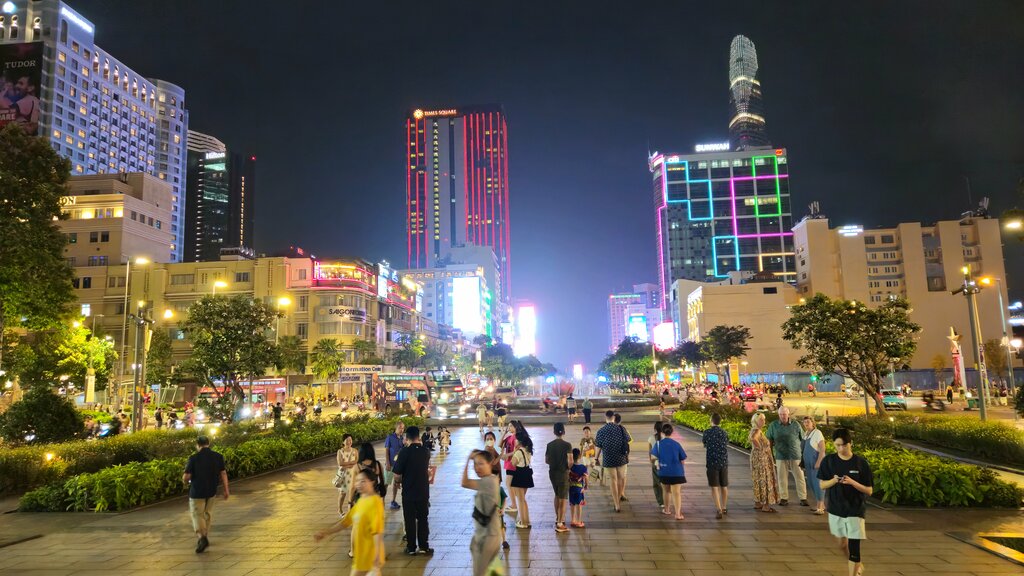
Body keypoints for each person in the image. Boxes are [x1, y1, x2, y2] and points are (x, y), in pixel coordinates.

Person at [818, 428, 874, 576]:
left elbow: (869, 490)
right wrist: (834, 480)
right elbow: (822, 485)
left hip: (855, 509)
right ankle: (858, 564)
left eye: (844, 445)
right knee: (842, 544)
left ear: (851, 443)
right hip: (836, 508)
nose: (841, 448)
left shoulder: (861, 463)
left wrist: (853, 483)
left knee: (855, 548)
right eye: (837, 445)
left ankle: (854, 570)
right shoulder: (829, 461)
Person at [315, 469, 385, 576]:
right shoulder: (361, 501)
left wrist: (376, 556)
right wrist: (326, 532)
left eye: (363, 481)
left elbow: (377, 531)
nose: (359, 484)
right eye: (357, 481)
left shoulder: (375, 503)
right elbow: (345, 522)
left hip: (370, 556)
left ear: (372, 482)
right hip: (361, 555)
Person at [182, 435, 229, 553]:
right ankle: (205, 535)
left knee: (197, 514)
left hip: (197, 491)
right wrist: (226, 489)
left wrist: (185, 482)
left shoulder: (193, 458)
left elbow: (186, 476)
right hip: (212, 490)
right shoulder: (218, 457)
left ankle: (202, 538)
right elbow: (223, 473)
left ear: (198, 445)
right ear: (209, 443)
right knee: (207, 513)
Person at [393, 425, 433, 555]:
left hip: (409, 491)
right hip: (423, 491)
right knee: (423, 518)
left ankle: (411, 548)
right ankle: (423, 546)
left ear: (407, 437)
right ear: (418, 436)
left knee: (409, 519)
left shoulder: (404, 452)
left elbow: (397, 473)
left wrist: (398, 482)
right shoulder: (425, 451)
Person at [462, 450, 503, 576]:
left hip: (488, 537)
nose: (477, 468)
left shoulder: (488, 481)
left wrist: (468, 460)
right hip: (488, 535)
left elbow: (465, 483)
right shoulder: (492, 479)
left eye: (481, 464)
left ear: (490, 464)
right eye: (475, 464)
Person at [765, 407, 807, 506]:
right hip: (780, 455)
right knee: (782, 478)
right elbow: (769, 440)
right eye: (781, 414)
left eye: (784, 414)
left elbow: (803, 439)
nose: (783, 416)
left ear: (788, 414)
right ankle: (784, 498)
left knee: (800, 477)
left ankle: (803, 498)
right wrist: (770, 454)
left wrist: (804, 454)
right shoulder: (773, 425)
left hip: (795, 454)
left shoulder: (796, 424)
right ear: (778, 415)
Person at [594, 410, 630, 512]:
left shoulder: (601, 431)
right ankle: (619, 498)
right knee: (620, 479)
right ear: (614, 417)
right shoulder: (621, 428)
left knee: (613, 480)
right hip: (621, 458)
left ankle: (616, 504)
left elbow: (598, 447)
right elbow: (627, 441)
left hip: (608, 459)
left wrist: (596, 458)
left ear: (605, 417)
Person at [651, 422, 687, 520]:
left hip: (664, 472)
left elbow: (653, 457)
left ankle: (666, 510)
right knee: (677, 493)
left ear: (662, 432)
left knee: (666, 491)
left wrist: (658, 461)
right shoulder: (677, 444)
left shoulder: (658, 444)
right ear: (671, 432)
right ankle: (678, 514)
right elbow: (683, 459)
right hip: (677, 473)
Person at [749, 413, 779, 513]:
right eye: (761, 419)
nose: (763, 421)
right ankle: (766, 505)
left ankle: (758, 503)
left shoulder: (754, 429)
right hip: (762, 460)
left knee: (758, 479)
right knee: (765, 479)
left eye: (764, 419)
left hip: (757, 459)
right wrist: (761, 449)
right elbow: (754, 439)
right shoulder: (757, 430)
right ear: (756, 420)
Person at [545, 422, 573, 533]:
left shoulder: (549, 445)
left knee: (556, 495)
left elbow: (546, 460)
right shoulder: (567, 445)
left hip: (552, 473)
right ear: (564, 432)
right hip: (563, 473)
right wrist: (568, 468)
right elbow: (570, 461)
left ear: (554, 432)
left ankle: (558, 518)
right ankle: (560, 523)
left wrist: (554, 463)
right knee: (563, 498)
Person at [702, 413, 730, 519]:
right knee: (724, 486)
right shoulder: (724, 432)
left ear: (711, 420)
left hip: (712, 462)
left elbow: (705, 444)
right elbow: (726, 442)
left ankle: (718, 510)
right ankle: (724, 507)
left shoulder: (707, 432)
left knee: (714, 487)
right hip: (723, 462)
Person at [509, 427, 535, 529]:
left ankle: (523, 522)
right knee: (523, 499)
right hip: (527, 474)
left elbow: (513, 464)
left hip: (519, 474)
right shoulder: (528, 450)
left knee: (520, 500)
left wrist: (514, 452)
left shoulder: (519, 452)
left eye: (515, 439)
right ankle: (526, 520)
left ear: (519, 441)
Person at [801, 416, 827, 515]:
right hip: (808, 464)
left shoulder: (817, 433)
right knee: (811, 484)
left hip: (816, 463)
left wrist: (819, 462)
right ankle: (821, 504)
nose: (806, 423)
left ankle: (820, 507)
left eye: (808, 421)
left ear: (812, 422)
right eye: (804, 422)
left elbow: (822, 449)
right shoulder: (805, 434)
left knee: (818, 484)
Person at [384, 421, 405, 510]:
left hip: (399, 465)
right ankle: (381, 500)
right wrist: (388, 463)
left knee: (396, 483)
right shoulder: (390, 437)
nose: (401, 429)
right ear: (396, 428)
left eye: (403, 428)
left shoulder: (402, 438)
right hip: (391, 464)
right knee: (386, 483)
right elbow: (386, 450)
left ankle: (393, 500)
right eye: (400, 427)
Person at [335, 434, 358, 515]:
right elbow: (340, 463)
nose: (349, 442)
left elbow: (356, 461)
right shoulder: (340, 451)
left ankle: (353, 509)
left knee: (354, 493)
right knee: (343, 493)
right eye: (347, 440)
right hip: (344, 475)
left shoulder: (355, 450)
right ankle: (340, 510)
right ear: (343, 441)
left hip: (353, 475)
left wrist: (346, 464)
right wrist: (350, 464)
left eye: (350, 440)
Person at [499, 422, 519, 513]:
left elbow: (516, 451)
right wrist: (504, 433)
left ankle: (514, 505)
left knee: (508, 484)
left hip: (512, 463)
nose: (509, 427)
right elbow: (500, 444)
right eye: (509, 425)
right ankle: (514, 503)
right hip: (508, 463)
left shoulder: (516, 437)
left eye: (511, 426)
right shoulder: (508, 437)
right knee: (510, 485)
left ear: (516, 427)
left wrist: (507, 455)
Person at [646, 421, 665, 513]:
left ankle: (661, 501)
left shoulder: (651, 438)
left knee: (656, 483)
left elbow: (650, 452)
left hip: (655, 462)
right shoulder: (665, 437)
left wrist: (651, 461)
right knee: (664, 481)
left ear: (655, 428)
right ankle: (666, 499)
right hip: (665, 462)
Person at [614, 413, 632, 498]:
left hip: (611, 456)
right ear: (620, 420)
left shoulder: (608, 429)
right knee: (623, 476)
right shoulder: (623, 429)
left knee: (615, 477)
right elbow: (629, 440)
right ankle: (621, 493)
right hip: (622, 455)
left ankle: (616, 493)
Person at [568, 448, 588, 528]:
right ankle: (579, 521)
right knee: (579, 505)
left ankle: (573, 520)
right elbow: (586, 477)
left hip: (571, 488)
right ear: (580, 456)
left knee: (572, 504)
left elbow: (567, 477)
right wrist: (586, 486)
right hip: (579, 488)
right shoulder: (583, 467)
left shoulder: (570, 467)